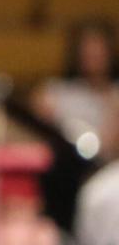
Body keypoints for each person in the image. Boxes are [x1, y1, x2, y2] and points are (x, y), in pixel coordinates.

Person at [32, 20, 119, 162]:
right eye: (88, 52)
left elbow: (109, 146)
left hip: (103, 168)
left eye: (98, 53)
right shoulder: (54, 91)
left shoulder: (116, 95)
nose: (93, 58)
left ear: (109, 54)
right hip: (63, 165)